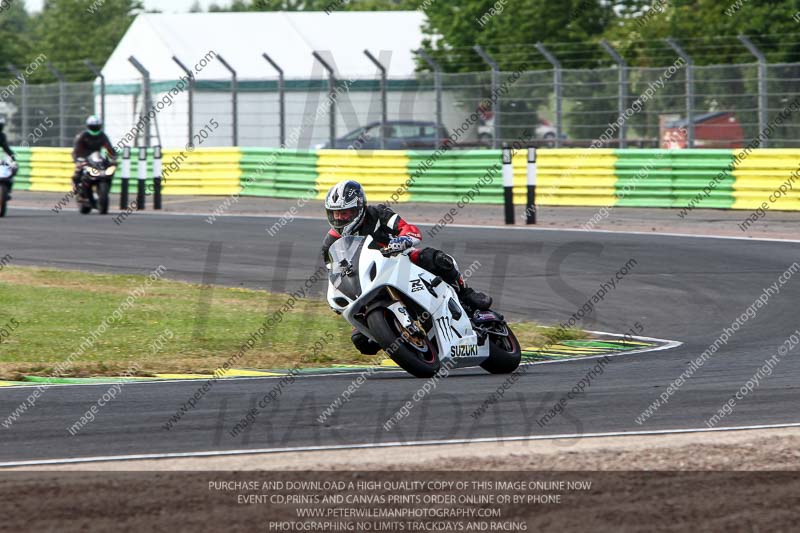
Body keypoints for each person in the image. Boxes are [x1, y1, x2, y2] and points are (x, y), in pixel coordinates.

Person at [322, 180, 492, 355]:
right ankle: (393, 334)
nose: (340, 218)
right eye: (335, 214)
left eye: (345, 213)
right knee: (361, 341)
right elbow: (336, 276)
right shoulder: (330, 244)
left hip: (399, 260)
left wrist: (402, 240)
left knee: (435, 259)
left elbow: (409, 229)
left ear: (359, 207)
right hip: (367, 283)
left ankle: (465, 293)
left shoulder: (378, 214)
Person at [71, 115, 117, 195]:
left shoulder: (102, 136)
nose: (95, 128)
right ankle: (76, 186)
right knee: (78, 169)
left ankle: (105, 187)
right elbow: (76, 150)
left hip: (97, 158)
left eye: (96, 126)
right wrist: (77, 159)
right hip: (84, 157)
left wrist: (113, 158)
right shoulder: (82, 136)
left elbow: (109, 147)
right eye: (93, 126)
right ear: (88, 126)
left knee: (109, 169)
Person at [0, 117, 18, 197]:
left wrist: (13, 157)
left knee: (13, 167)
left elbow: (6, 147)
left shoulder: (2, 136)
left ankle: (7, 189)